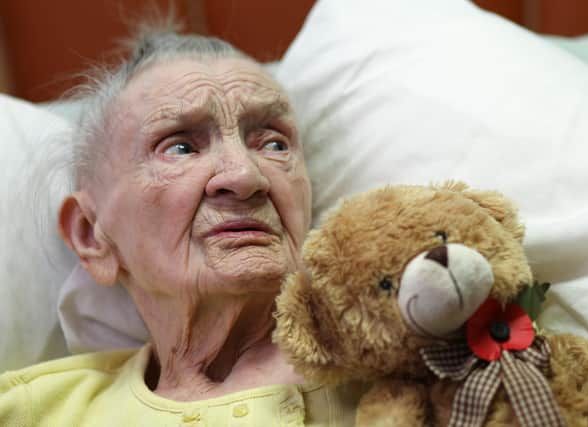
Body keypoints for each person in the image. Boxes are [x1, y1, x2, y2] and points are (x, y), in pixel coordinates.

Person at [0, 27, 364, 426]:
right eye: (180, 147)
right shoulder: (38, 410)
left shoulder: (402, 359)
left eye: (274, 143)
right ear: (91, 236)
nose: (244, 176)